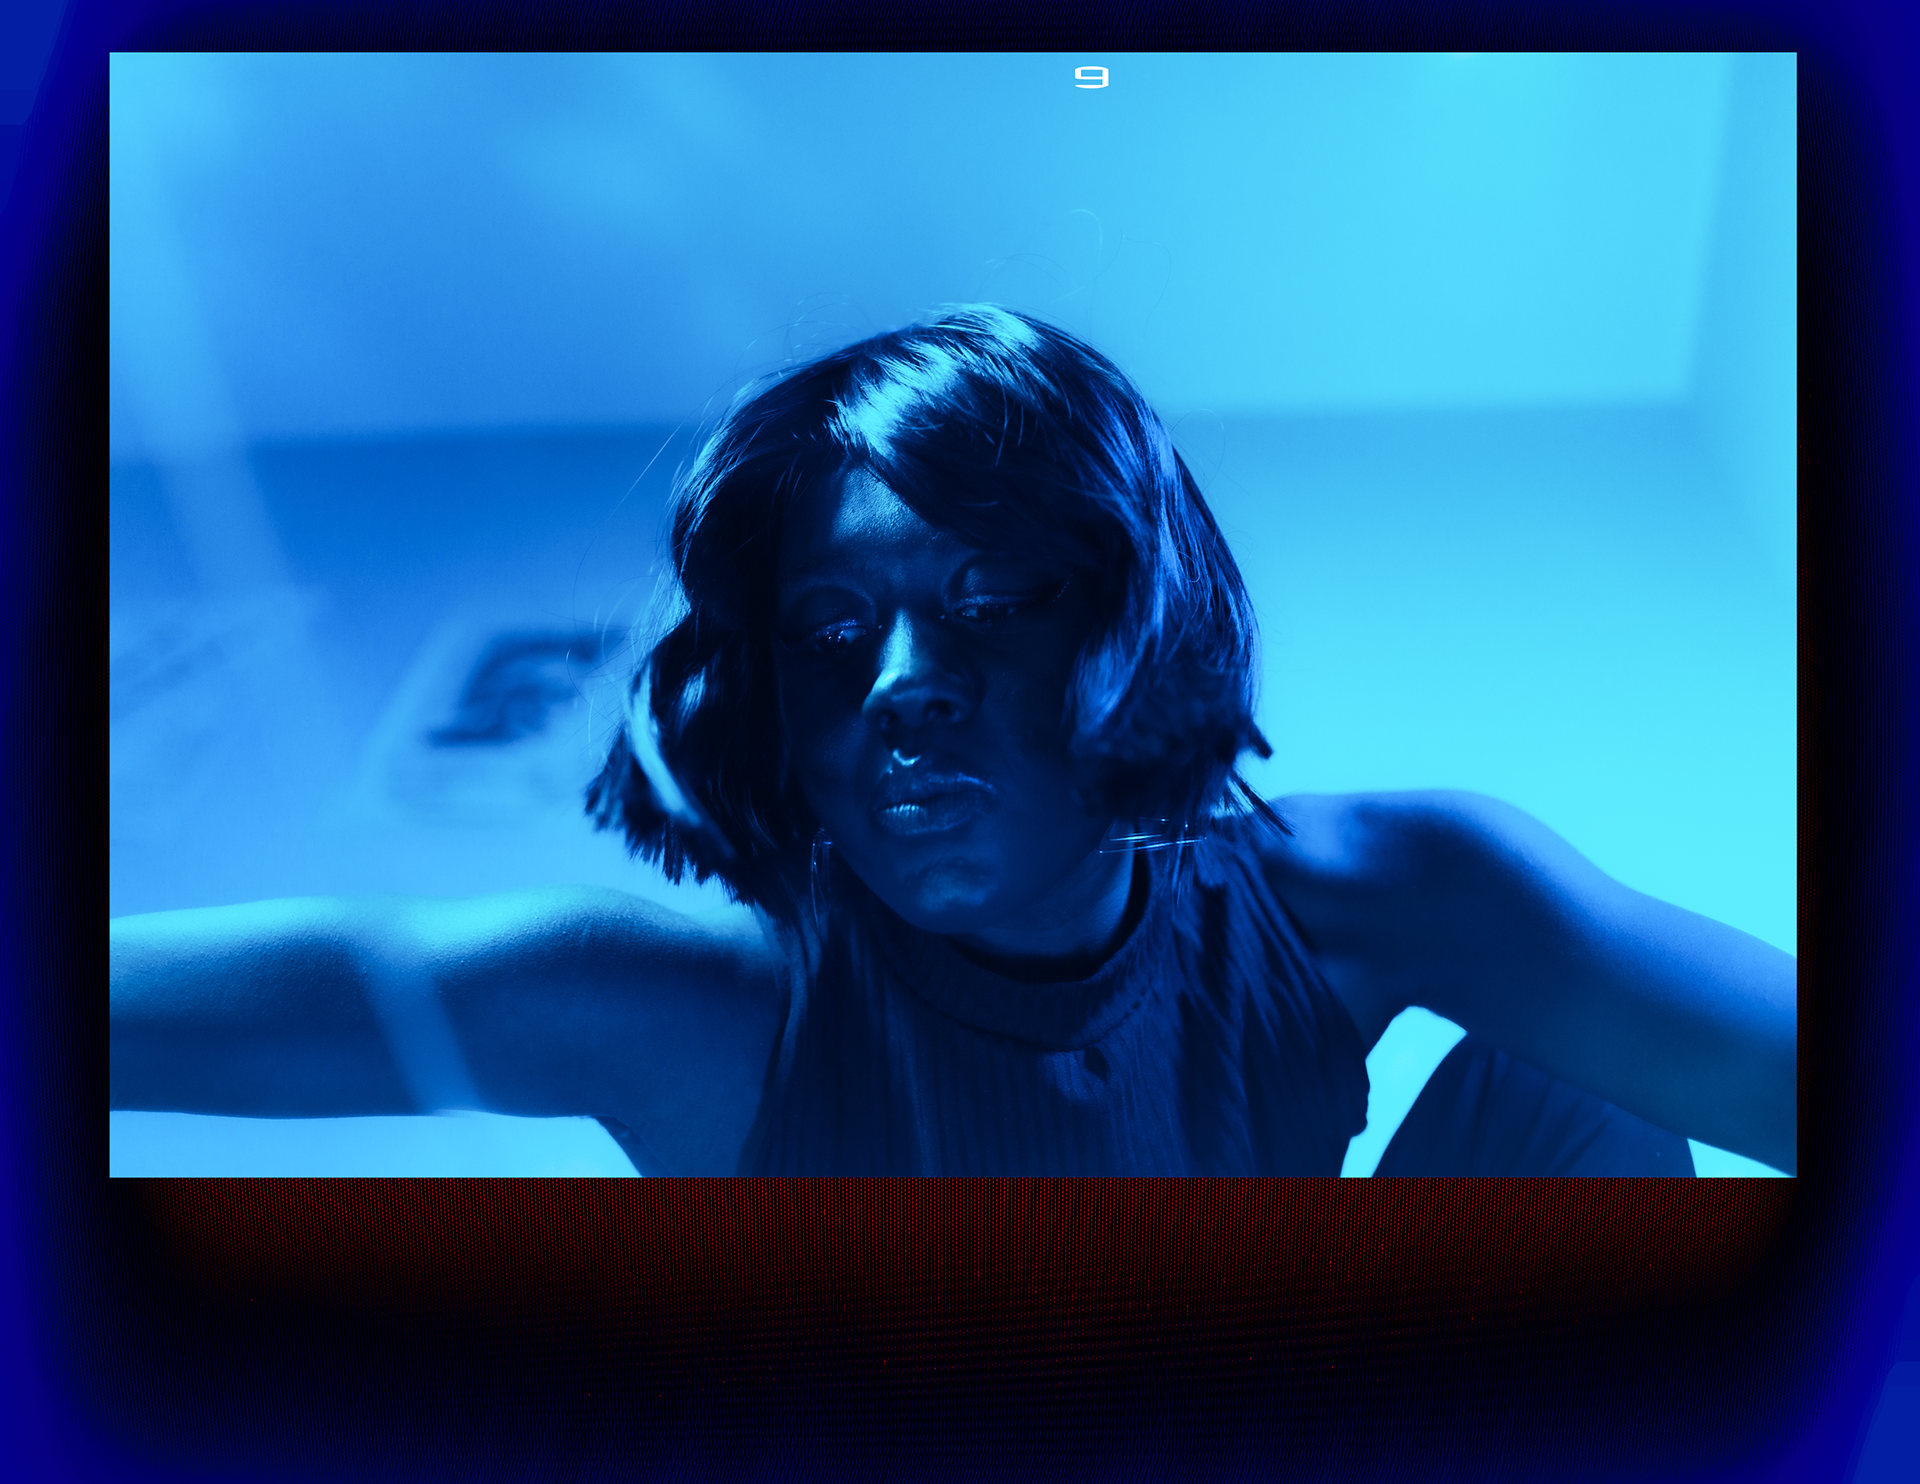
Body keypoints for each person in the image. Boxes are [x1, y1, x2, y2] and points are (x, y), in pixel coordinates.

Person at [109, 306, 1797, 1176]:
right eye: (829, 632)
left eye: (995, 600)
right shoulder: (703, 1010)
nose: (902, 684)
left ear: (1136, 613)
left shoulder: (1387, 894)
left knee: (1573, 1080)